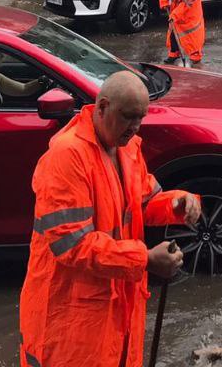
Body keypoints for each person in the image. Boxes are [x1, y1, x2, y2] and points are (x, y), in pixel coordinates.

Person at [18, 70, 202, 367]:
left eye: (141, 117)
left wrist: (178, 204)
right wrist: (144, 260)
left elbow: (144, 201)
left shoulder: (126, 148)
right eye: (129, 116)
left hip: (114, 306)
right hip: (71, 318)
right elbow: (73, 247)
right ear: (102, 107)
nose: (136, 127)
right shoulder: (67, 157)